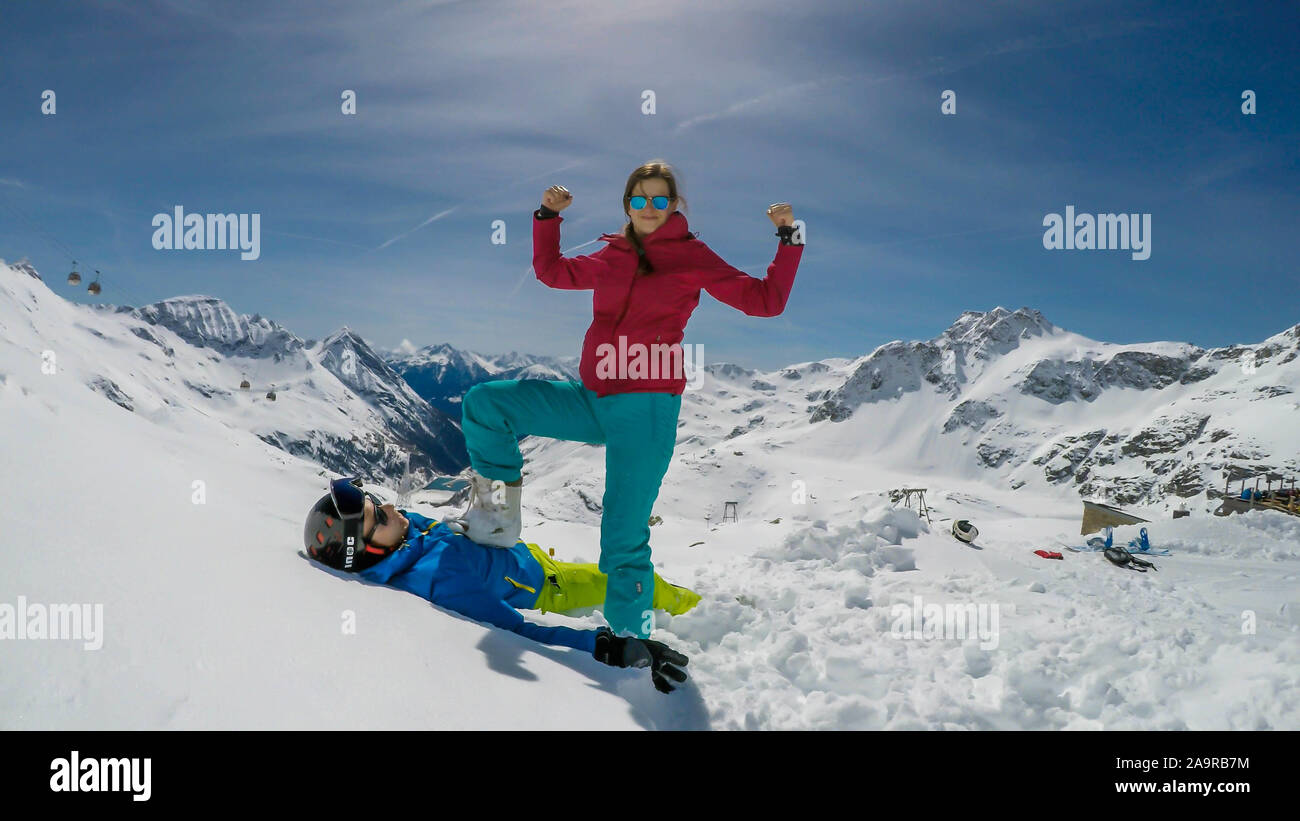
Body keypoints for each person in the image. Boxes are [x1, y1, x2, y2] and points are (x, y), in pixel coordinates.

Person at [452, 159, 803, 642]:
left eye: (660, 199)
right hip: (593, 395)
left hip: (646, 405)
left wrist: (788, 238)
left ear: (675, 204)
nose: (649, 208)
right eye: (639, 199)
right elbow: (551, 272)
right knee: (487, 403)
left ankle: (632, 645)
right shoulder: (614, 254)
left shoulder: (692, 255)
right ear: (627, 205)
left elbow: (766, 301)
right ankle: (495, 519)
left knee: (621, 539)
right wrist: (548, 217)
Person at [304, 477, 697, 693]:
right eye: (381, 516)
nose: (393, 508)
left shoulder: (401, 539)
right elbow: (517, 631)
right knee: (638, 580)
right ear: (369, 548)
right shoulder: (440, 578)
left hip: (526, 558)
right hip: (549, 585)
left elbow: (421, 528)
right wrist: (607, 647)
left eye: (379, 501)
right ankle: (695, 608)